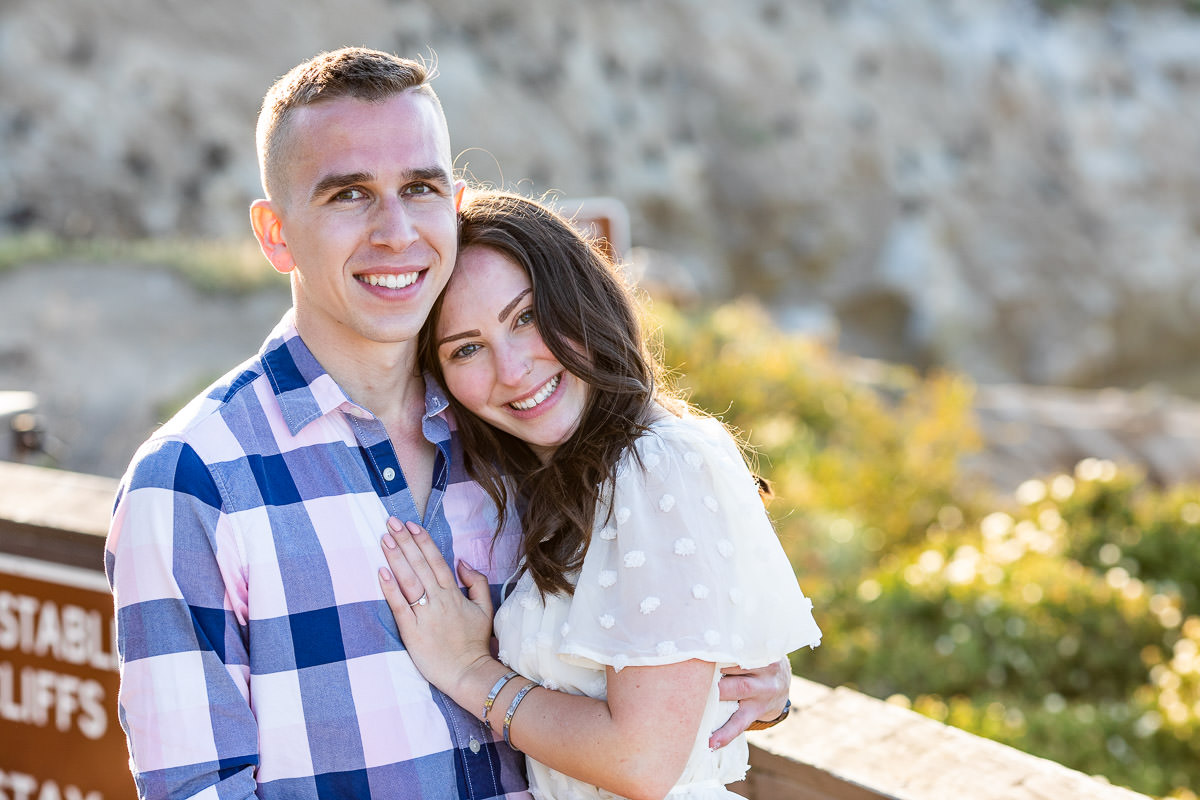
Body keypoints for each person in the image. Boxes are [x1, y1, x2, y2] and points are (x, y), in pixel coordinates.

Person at [104, 47, 791, 800]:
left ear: (453, 208)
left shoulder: (514, 432)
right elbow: (196, 789)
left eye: (420, 188)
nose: (396, 232)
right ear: (275, 234)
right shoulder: (193, 480)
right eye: (348, 195)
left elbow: (638, 658)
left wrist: (747, 677)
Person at [376, 190, 821, 800]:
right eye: (467, 349)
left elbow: (640, 760)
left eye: (526, 316)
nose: (512, 370)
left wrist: (469, 670)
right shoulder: (564, 481)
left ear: (580, 298)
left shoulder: (655, 462)